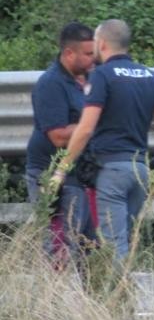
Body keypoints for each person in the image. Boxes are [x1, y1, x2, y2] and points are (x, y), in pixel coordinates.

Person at [50, 19, 154, 267]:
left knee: (114, 247)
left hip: (112, 173)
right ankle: (125, 301)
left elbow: (85, 128)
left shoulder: (101, 76)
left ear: (101, 44)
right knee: (129, 242)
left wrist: (62, 168)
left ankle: (115, 304)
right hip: (140, 171)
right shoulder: (151, 77)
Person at [26, 22, 98, 267]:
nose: (93, 58)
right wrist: (95, 124)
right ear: (69, 53)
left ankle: (89, 301)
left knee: (88, 244)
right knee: (61, 244)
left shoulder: (90, 79)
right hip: (51, 173)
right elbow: (57, 136)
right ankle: (56, 299)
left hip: (80, 174)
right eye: (88, 54)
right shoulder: (51, 84)